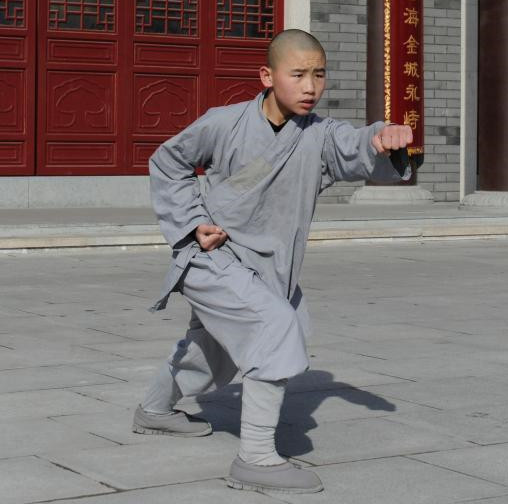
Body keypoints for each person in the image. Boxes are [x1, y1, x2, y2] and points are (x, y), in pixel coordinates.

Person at [132, 29, 414, 493]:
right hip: (213, 257)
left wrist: (383, 137)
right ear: (267, 75)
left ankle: (155, 411)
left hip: (268, 268)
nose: (310, 87)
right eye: (298, 74)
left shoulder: (320, 134)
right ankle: (256, 458)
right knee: (276, 328)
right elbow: (168, 162)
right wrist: (192, 221)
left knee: (215, 356)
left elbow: (355, 145)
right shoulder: (222, 123)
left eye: (318, 75)